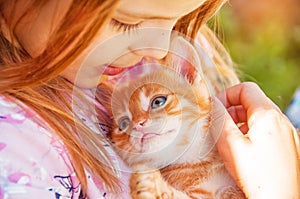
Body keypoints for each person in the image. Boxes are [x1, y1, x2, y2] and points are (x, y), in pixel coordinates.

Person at [0, 0, 298, 198]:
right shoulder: (16, 150)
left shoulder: (166, 50)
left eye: (179, 18)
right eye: (124, 23)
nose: (159, 49)